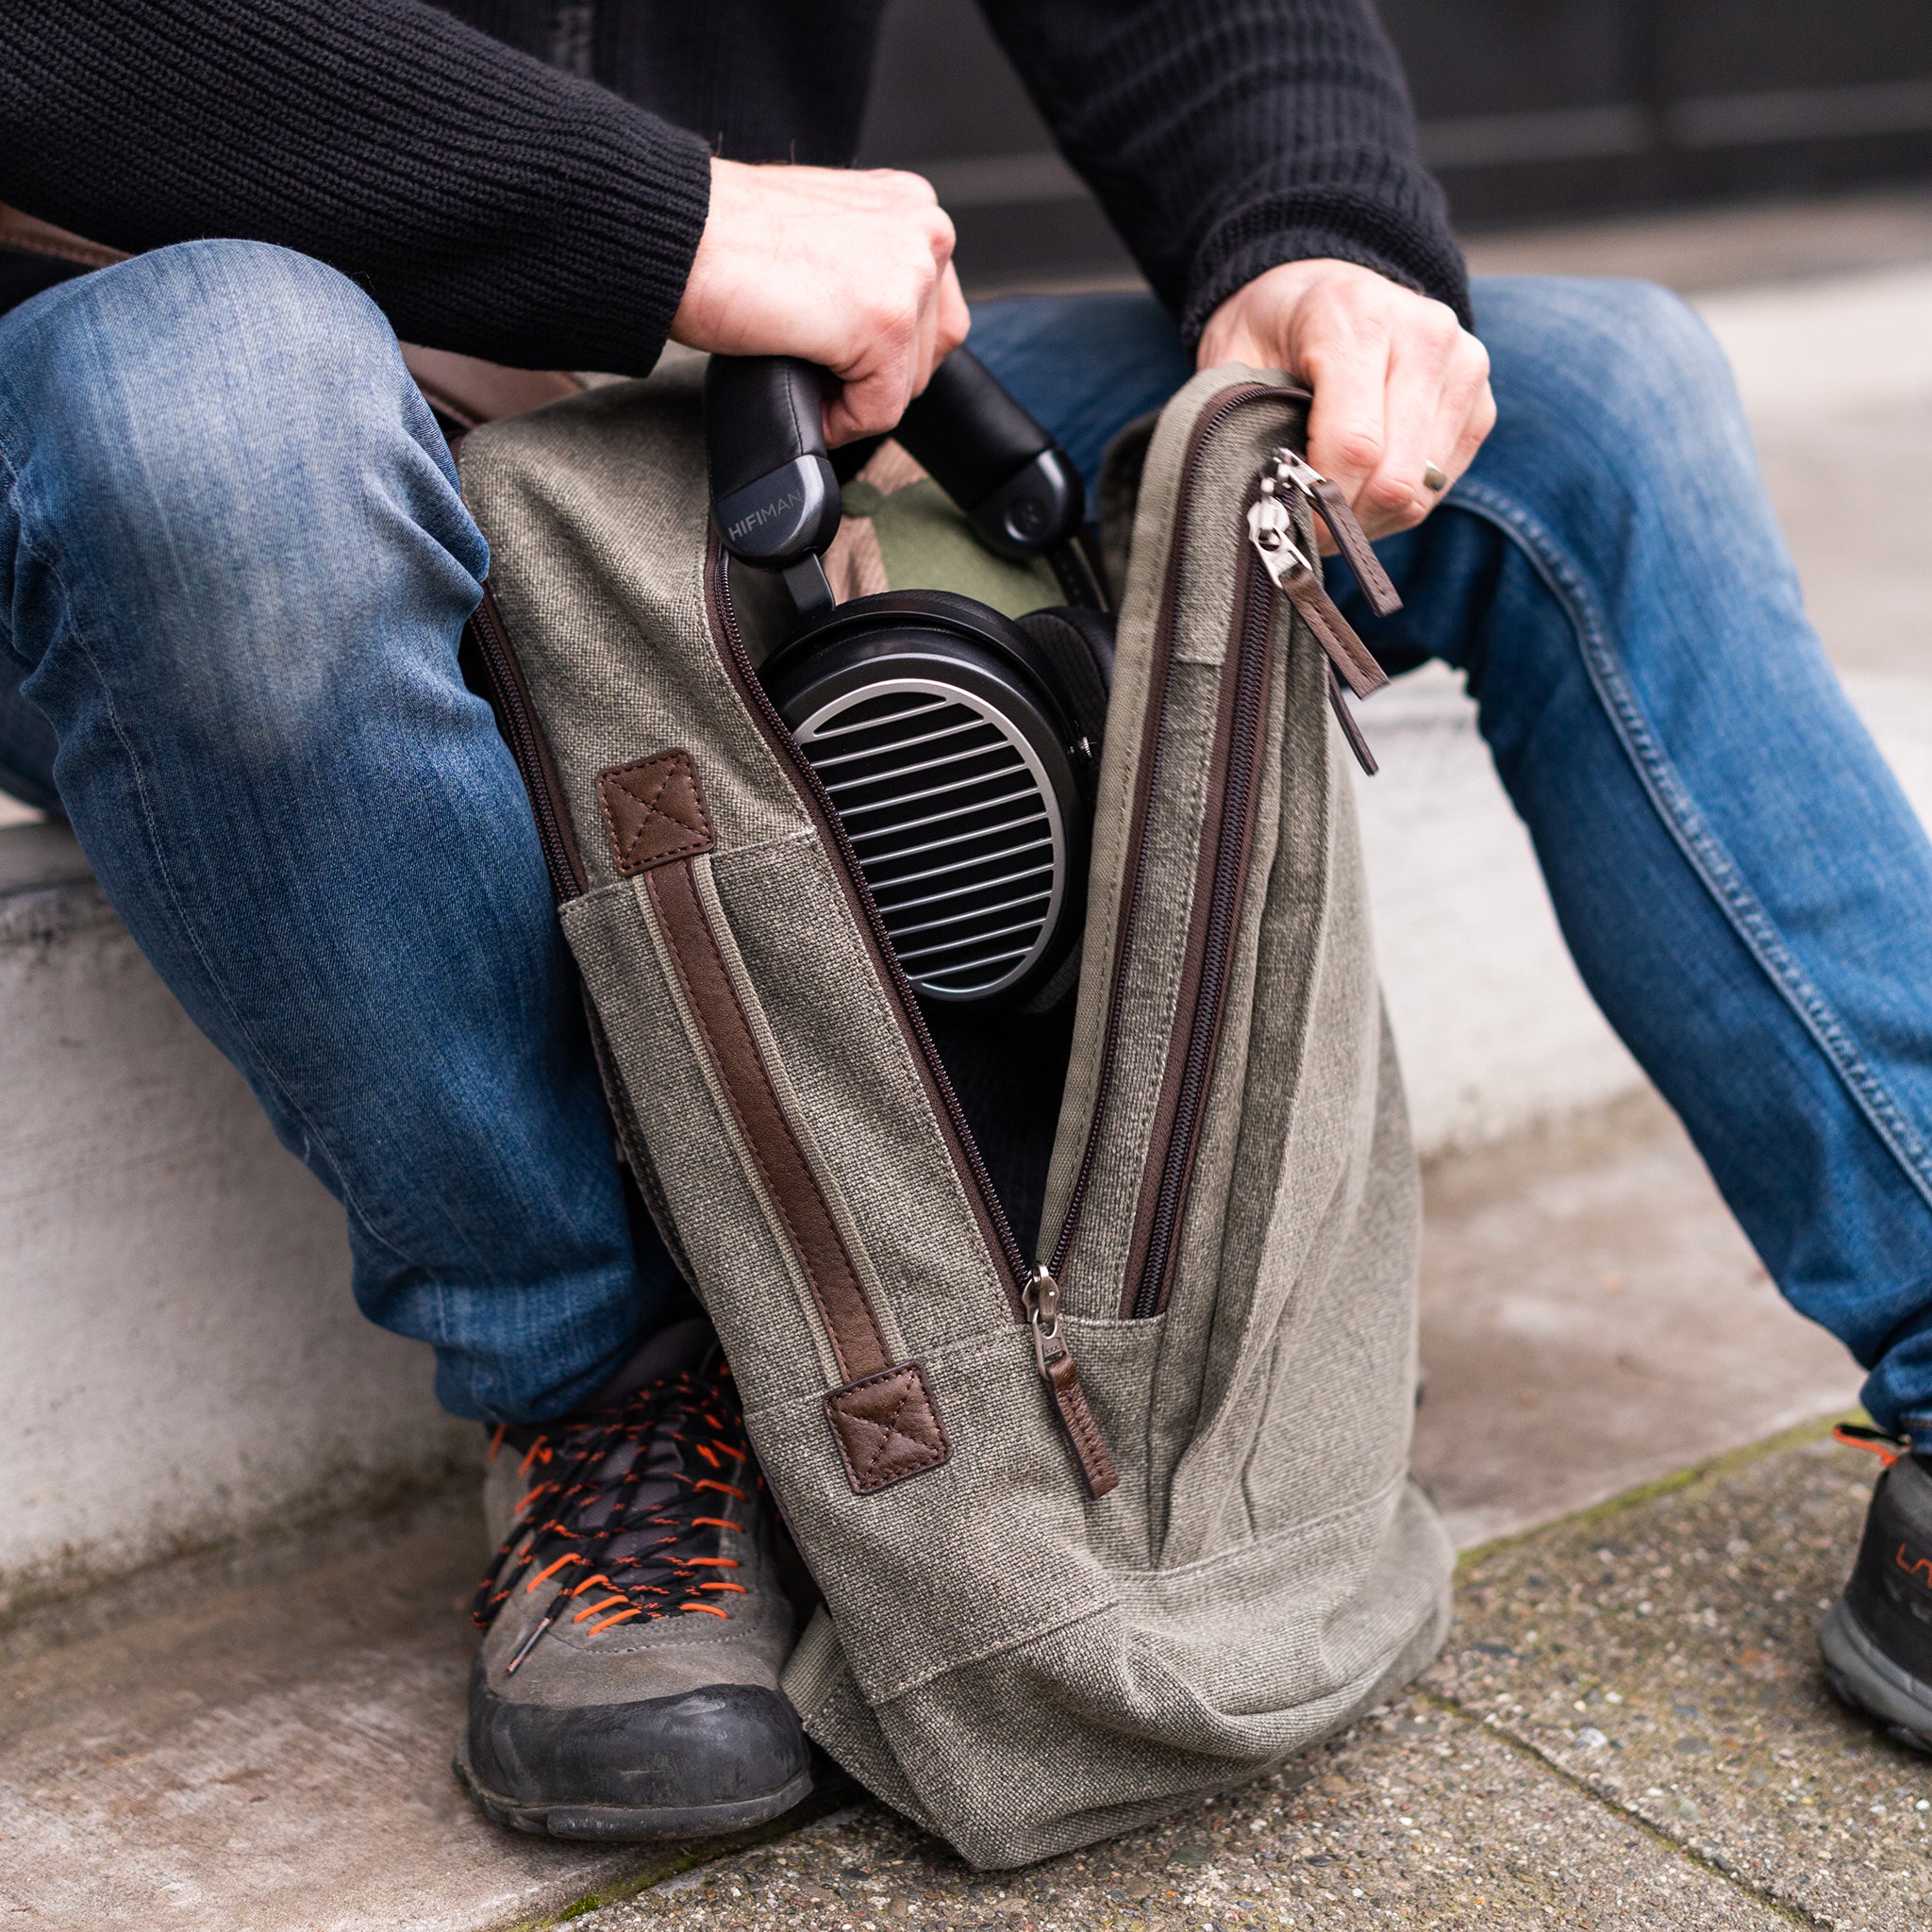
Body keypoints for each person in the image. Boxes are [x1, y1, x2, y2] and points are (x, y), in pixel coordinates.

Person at [3, 0, 1929, 1841]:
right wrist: (669, 222)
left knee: (1596, 396)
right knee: (216, 408)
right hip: (183, 416)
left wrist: (1311, 235)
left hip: (711, 403)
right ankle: (601, 1392)